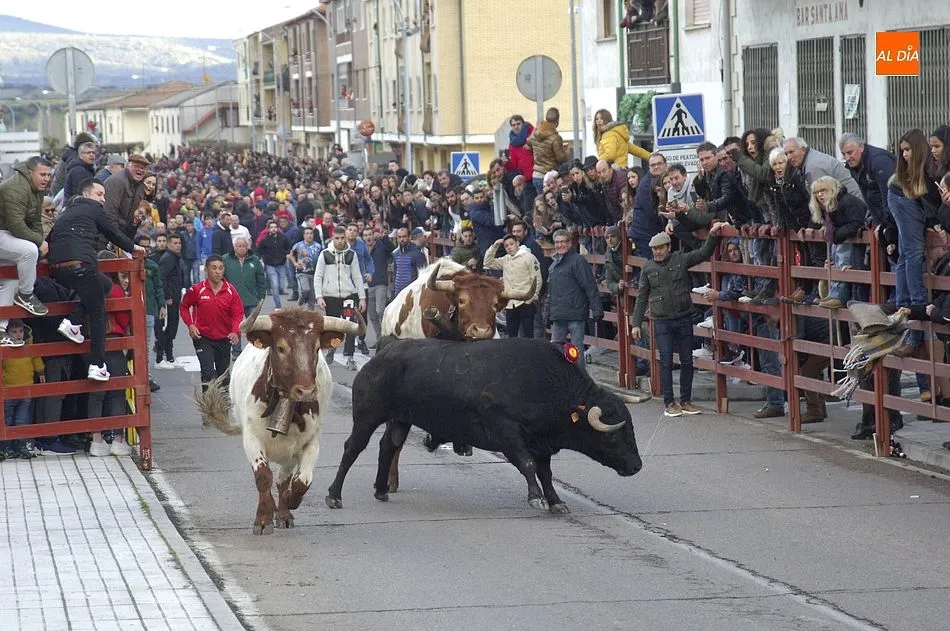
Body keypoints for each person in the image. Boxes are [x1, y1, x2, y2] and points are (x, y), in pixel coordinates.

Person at [46, 179, 144, 381]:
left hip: (57, 267)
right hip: (81, 263)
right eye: (99, 194)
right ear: (86, 195)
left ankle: (73, 322)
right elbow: (113, 232)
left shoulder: (65, 213)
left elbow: (49, 239)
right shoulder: (93, 209)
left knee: (104, 284)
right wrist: (134, 247)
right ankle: (97, 365)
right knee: (98, 312)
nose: (103, 199)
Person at [630, 222, 727, 417]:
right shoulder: (648, 268)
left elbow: (703, 253)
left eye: (660, 248)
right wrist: (636, 324)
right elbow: (641, 297)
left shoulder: (680, 259)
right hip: (662, 321)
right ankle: (669, 403)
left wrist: (712, 234)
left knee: (687, 361)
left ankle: (685, 401)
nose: (657, 252)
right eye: (654, 249)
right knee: (666, 361)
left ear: (668, 247)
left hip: (683, 317)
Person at [0, 156, 52, 348]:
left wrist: (39, 241)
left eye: (48, 175)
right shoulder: (15, 188)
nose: (46, 178)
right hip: (4, 232)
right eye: (42, 174)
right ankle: (26, 294)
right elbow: (16, 225)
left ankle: (0, 330)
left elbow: (35, 220)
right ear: (30, 172)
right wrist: (38, 242)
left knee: (10, 280)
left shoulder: (35, 188)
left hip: (6, 234)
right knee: (28, 251)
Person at [180, 255, 245, 393]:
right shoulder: (197, 289)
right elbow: (184, 307)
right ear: (206, 270)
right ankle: (208, 404)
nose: (217, 272)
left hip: (224, 339)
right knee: (208, 374)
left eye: (221, 268)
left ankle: (224, 404)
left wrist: (235, 331)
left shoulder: (230, 291)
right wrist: (190, 325)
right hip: (202, 337)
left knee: (223, 377)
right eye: (214, 268)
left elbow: (238, 314)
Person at [545, 229, 603, 374]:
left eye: (563, 241)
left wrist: (597, 309)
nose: (560, 245)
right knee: (555, 350)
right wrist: (547, 313)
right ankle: (560, 378)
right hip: (558, 315)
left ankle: (581, 378)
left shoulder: (578, 261)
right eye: (557, 242)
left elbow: (589, 286)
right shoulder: (553, 266)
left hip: (575, 313)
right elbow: (550, 293)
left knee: (576, 349)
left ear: (570, 243)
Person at [314, 226, 366, 370]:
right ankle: (332, 348)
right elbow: (318, 276)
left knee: (350, 326)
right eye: (337, 238)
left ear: (345, 238)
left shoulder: (351, 255)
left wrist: (362, 297)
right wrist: (319, 296)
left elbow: (357, 276)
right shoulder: (325, 254)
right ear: (332, 238)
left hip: (348, 295)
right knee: (334, 328)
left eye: (342, 238)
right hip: (330, 296)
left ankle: (350, 357)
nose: (340, 241)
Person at [484, 234, 543, 338]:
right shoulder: (506, 259)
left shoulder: (528, 257)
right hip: (511, 304)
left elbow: (537, 279)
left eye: (511, 244)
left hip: (525, 301)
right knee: (512, 335)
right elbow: (488, 262)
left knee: (528, 334)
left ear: (517, 243)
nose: (509, 247)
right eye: (506, 246)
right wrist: (494, 247)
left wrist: (531, 299)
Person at [0, 319, 43, 460]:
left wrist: (41, 371)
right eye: (14, 332)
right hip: (8, 389)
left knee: (22, 419)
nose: (18, 334)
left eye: (20, 331)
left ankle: (21, 446)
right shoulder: (4, 345)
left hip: (26, 388)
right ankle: (5, 447)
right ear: (6, 333)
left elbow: (35, 357)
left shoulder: (28, 343)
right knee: (7, 419)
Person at [223, 238, 266, 356]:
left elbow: (261, 279)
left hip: (251, 299)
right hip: (233, 301)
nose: (242, 248)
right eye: (239, 246)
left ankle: (256, 349)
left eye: (244, 246)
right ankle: (236, 351)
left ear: (248, 247)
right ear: (234, 247)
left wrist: (261, 297)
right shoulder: (226, 259)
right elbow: (221, 279)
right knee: (235, 327)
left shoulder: (255, 260)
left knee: (254, 326)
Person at [135, 233, 165, 393]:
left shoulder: (153, 266)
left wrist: (162, 305)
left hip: (149, 310)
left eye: (148, 247)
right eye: (143, 246)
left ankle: (146, 375)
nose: (145, 250)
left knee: (146, 344)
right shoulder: (130, 264)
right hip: (134, 310)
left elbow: (158, 287)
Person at [155, 233, 184, 368]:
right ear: (168, 244)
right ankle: (160, 358)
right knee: (165, 328)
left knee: (172, 328)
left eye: (179, 243)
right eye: (175, 243)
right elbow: (162, 278)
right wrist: (167, 297)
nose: (178, 245)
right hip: (169, 300)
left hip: (175, 299)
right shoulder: (168, 259)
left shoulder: (175, 258)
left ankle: (170, 357)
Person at [363, 227, 393, 346]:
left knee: (380, 311)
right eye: (365, 235)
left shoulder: (381, 246)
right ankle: (380, 340)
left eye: (370, 234)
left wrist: (384, 237)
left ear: (373, 236)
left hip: (381, 283)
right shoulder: (362, 249)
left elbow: (391, 248)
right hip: (367, 285)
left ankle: (387, 335)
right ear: (363, 237)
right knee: (373, 315)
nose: (368, 237)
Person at [287, 227, 322, 309]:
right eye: (307, 233)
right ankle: (300, 301)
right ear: (304, 235)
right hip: (302, 272)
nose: (309, 235)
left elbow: (322, 257)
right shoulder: (298, 245)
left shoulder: (318, 246)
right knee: (305, 290)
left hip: (314, 273)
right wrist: (295, 263)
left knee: (312, 297)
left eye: (311, 233)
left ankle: (310, 313)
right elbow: (290, 255)